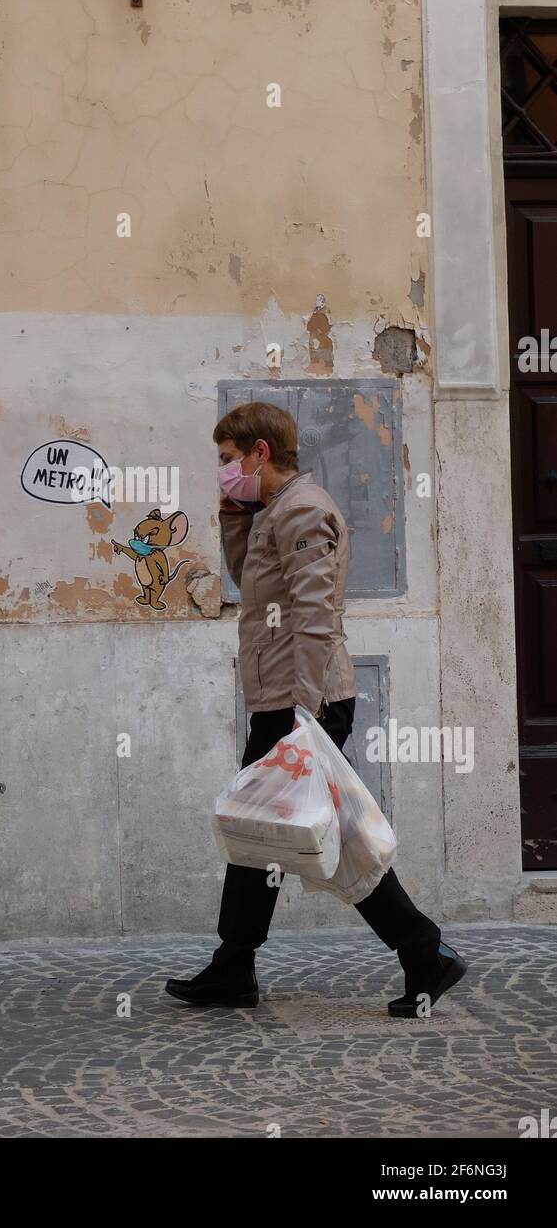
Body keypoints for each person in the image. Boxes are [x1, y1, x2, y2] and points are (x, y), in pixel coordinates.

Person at [165, 401, 467, 1017]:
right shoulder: (272, 510)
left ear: (260, 453)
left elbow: (314, 616)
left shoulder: (303, 510)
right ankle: (235, 967)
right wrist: (234, 514)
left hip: (303, 702)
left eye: (228, 461)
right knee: (259, 832)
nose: (222, 471)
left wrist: (305, 712)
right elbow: (247, 579)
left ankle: (423, 949)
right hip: (281, 699)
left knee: (332, 835)